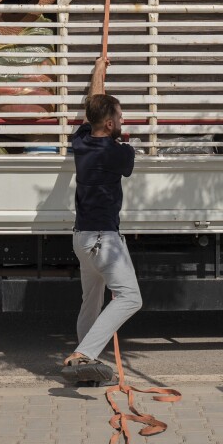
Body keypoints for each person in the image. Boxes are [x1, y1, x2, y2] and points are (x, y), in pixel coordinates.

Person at [61, 56, 141, 384]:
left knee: (90, 305)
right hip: (103, 240)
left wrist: (98, 72)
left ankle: (83, 369)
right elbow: (99, 115)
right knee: (130, 297)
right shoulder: (119, 153)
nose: (123, 120)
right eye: (119, 116)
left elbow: (92, 108)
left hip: (82, 239)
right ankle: (85, 354)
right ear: (109, 124)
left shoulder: (80, 142)